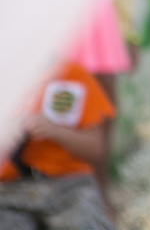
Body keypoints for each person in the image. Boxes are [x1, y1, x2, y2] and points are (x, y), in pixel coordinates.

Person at [0, 61, 117, 230]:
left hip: (69, 186)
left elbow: (97, 148)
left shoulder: (71, 75)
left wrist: (56, 131)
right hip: (9, 192)